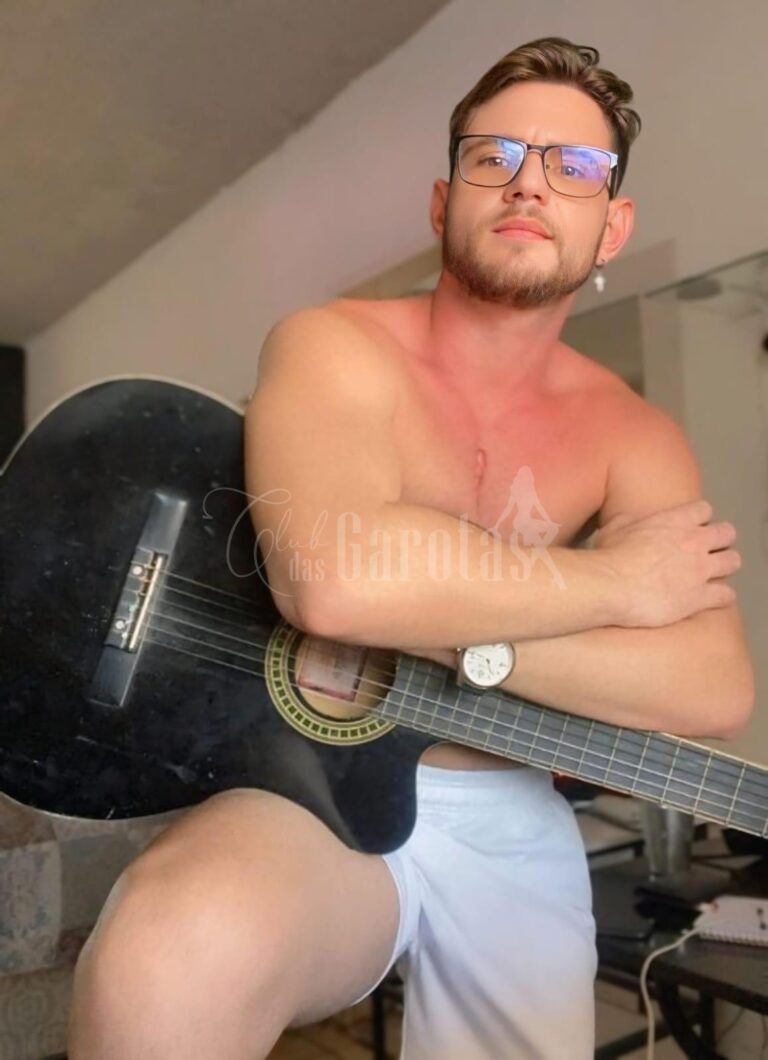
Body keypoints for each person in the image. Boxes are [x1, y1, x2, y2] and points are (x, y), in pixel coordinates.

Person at [68, 36, 753, 1059]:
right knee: (162, 952)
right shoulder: (330, 344)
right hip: (304, 787)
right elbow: (335, 581)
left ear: (613, 225)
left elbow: (711, 683)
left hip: (510, 813)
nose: (530, 183)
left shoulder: (635, 437)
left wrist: (458, 635)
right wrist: (617, 581)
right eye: (494, 155)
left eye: (575, 166)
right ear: (443, 202)